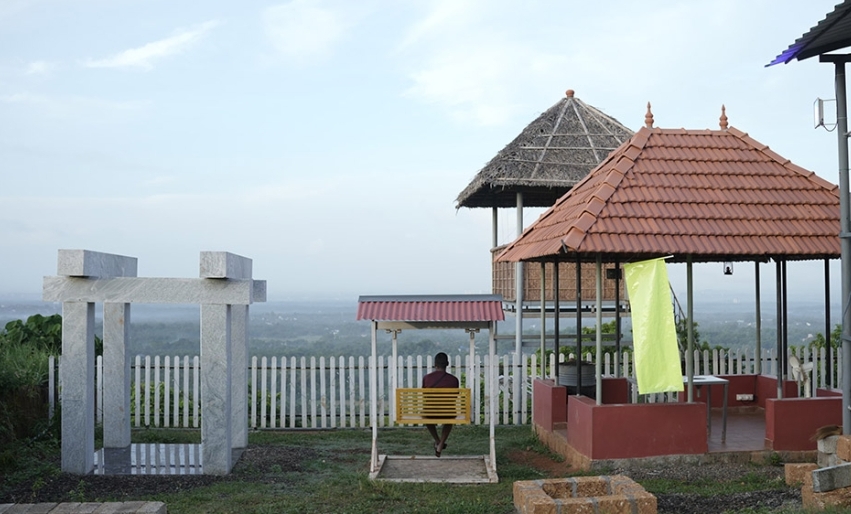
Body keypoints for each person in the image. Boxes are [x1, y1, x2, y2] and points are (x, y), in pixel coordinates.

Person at [422, 352, 459, 457]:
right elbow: (455, 397)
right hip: (448, 412)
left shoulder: (426, 378)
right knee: (450, 418)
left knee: (425, 415)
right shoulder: (454, 380)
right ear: (447, 364)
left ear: (435, 364)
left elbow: (425, 395)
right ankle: (441, 443)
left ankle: (437, 441)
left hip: (431, 412)